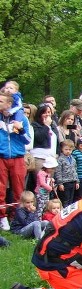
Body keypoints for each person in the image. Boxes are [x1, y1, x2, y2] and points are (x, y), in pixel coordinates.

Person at [0, 91, 31, 231]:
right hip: (1, 157)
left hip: (18, 157)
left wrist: (21, 129)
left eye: (1, 102)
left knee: (19, 190)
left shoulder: (22, 118)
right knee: (0, 189)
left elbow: (28, 141)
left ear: (9, 104)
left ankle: (18, 217)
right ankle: (2, 218)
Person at [55, 139, 79, 207]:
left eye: (70, 149)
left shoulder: (73, 159)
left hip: (73, 181)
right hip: (65, 183)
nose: (68, 151)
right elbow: (58, 171)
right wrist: (60, 183)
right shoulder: (60, 159)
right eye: (66, 149)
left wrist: (77, 181)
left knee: (71, 200)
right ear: (62, 149)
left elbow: (75, 170)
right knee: (65, 200)